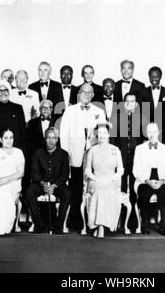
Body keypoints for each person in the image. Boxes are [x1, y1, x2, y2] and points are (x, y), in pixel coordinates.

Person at [59, 83, 106, 229]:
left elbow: (102, 134)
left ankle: (92, 220)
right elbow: (64, 134)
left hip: (93, 157)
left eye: (89, 93)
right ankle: (75, 221)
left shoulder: (99, 111)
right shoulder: (70, 110)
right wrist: (65, 155)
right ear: (79, 94)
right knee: (76, 187)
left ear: (93, 95)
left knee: (91, 188)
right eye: (83, 92)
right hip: (75, 156)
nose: (86, 95)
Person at [110, 92, 147, 231]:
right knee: (120, 189)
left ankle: (133, 223)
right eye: (127, 101)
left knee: (134, 189)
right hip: (121, 159)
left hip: (136, 159)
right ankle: (118, 222)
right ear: (123, 103)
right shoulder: (116, 118)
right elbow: (112, 142)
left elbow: (145, 141)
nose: (130, 103)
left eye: (133, 101)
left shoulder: (143, 119)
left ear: (136, 104)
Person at [26, 127, 71, 234]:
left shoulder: (63, 154)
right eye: (48, 138)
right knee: (29, 192)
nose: (51, 141)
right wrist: (42, 184)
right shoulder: (37, 153)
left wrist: (54, 186)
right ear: (44, 139)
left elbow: (65, 174)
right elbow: (34, 172)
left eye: (54, 138)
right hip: (41, 183)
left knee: (67, 194)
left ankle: (58, 226)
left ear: (57, 140)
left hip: (57, 184)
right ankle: (39, 225)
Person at [133, 123, 165, 236]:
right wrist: (147, 181)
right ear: (146, 133)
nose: (152, 135)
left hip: (162, 179)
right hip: (145, 179)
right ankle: (145, 223)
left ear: (159, 132)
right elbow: (135, 169)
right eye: (149, 132)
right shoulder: (139, 149)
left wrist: (161, 181)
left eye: (154, 132)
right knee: (143, 193)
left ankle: (163, 224)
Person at [85, 125, 124, 238]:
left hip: (111, 180)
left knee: (106, 188)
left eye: (104, 133)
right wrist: (97, 179)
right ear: (97, 136)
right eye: (100, 133)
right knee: (100, 189)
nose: (102, 135)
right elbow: (88, 170)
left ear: (108, 135)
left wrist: (110, 179)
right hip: (95, 179)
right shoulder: (92, 150)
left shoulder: (115, 149)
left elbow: (120, 170)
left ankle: (102, 226)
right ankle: (100, 226)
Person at [0, 82, 26, 150]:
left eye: (5, 90)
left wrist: (21, 149)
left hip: (15, 148)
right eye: (0, 91)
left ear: (9, 92)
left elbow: (22, 131)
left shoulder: (18, 108)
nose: (3, 93)